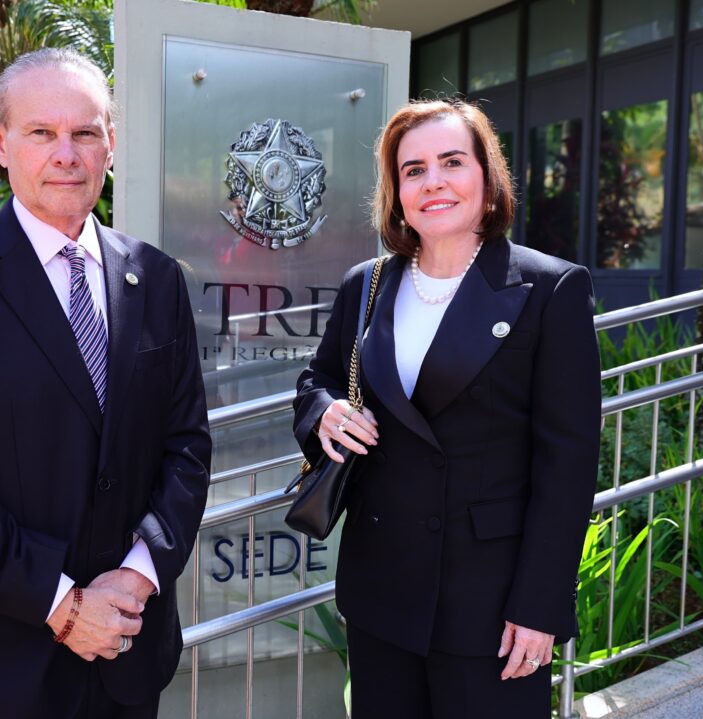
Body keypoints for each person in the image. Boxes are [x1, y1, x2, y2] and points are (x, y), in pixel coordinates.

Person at [0, 48, 211, 718]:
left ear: (109, 144)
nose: (67, 154)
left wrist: (138, 574)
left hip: (127, 650)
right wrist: (63, 605)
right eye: (41, 132)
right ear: (2, 143)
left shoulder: (157, 277)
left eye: (84, 132)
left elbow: (187, 446)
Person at [293, 99, 601, 717]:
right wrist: (324, 412)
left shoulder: (551, 288)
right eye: (413, 170)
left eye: (452, 162)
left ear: (487, 179)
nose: (432, 181)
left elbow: (567, 465)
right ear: (397, 192)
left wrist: (540, 606)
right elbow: (317, 380)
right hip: (382, 591)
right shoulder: (367, 284)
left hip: (492, 605)